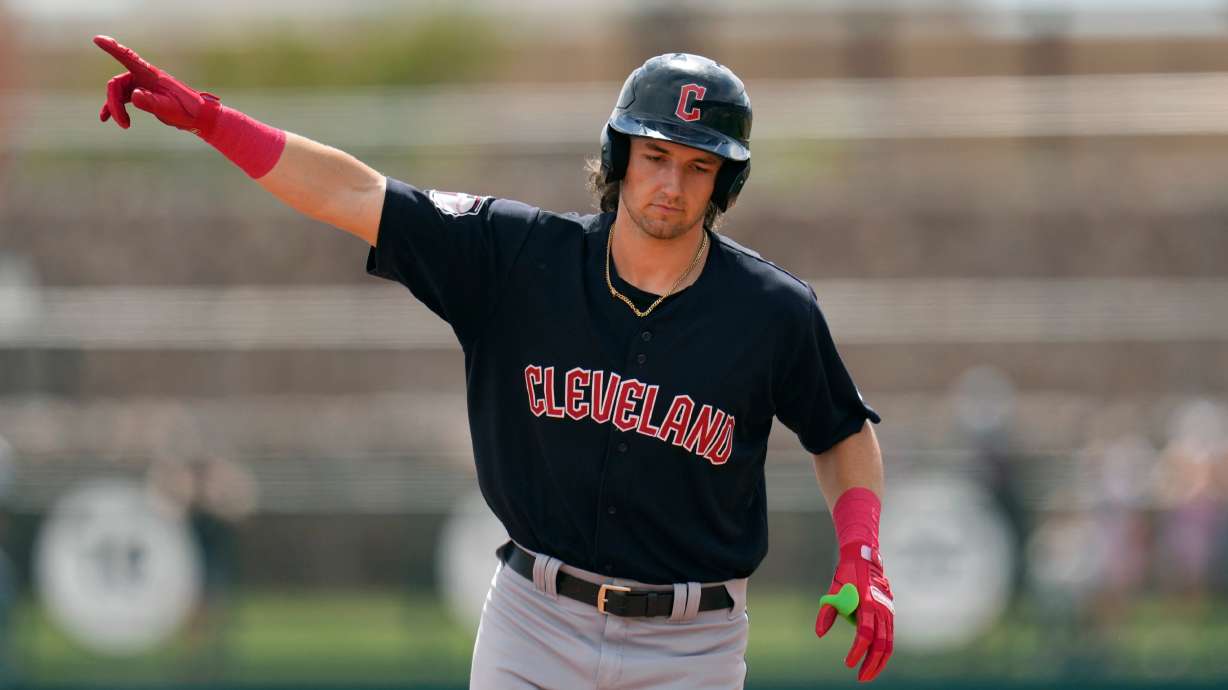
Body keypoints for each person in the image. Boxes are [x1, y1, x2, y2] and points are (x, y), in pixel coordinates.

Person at [93, 36, 895, 687]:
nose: (671, 184)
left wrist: (862, 550)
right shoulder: (515, 256)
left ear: (725, 181)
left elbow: (841, 430)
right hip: (535, 623)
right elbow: (353, 196)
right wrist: (211, 121)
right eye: (655, 156)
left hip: (692, 645)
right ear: (618, 158)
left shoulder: (771, 308)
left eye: (698, 165)